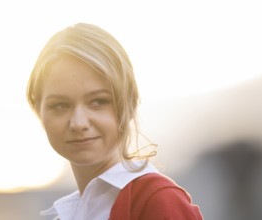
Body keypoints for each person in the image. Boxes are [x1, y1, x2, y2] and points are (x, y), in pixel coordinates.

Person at [26, 23, 203, 220]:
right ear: (38, 110)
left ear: (128, 103)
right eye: (60, 105)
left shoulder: (159, 201)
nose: (78, 123)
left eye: (98, 101)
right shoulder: (68, 215)